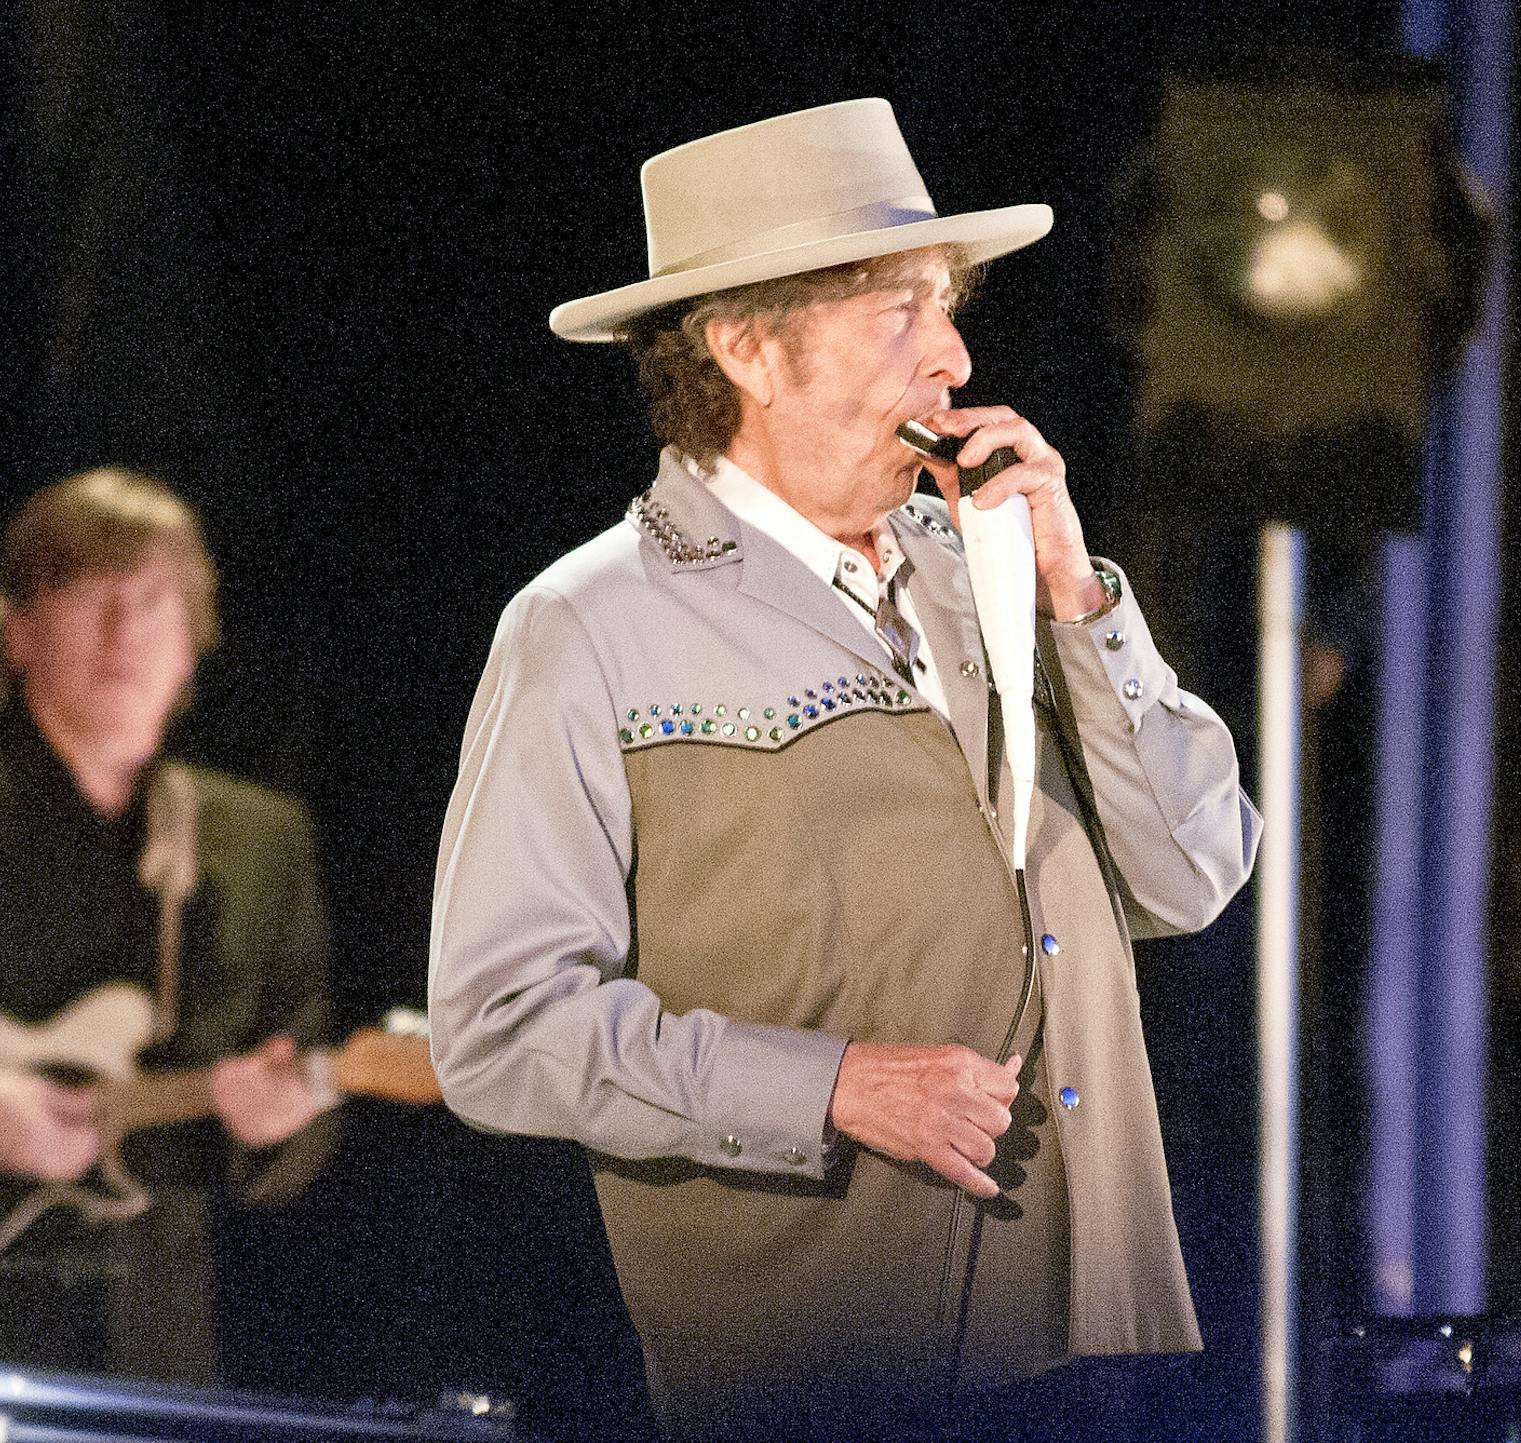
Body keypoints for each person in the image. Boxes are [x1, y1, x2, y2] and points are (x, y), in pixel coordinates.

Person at [428, 100, 1259, 1440]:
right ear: (749, 345)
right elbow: (500, 1028)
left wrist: (1074, 593)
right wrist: (826, 1082)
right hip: (828, 1371)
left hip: (1092, 1346)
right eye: (899, 310)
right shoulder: (590, 623)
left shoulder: (989, 568)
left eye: (948, 306)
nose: (955, 355)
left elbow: (1197, 868)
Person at [0, 467, 437, 1384]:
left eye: (155, 602)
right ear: (17, 630)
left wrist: (277, 1125)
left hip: (153, 1346)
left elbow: (294, 1123)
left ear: (194, 644)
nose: (127, 628)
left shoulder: (260, 842)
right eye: (90, 594)